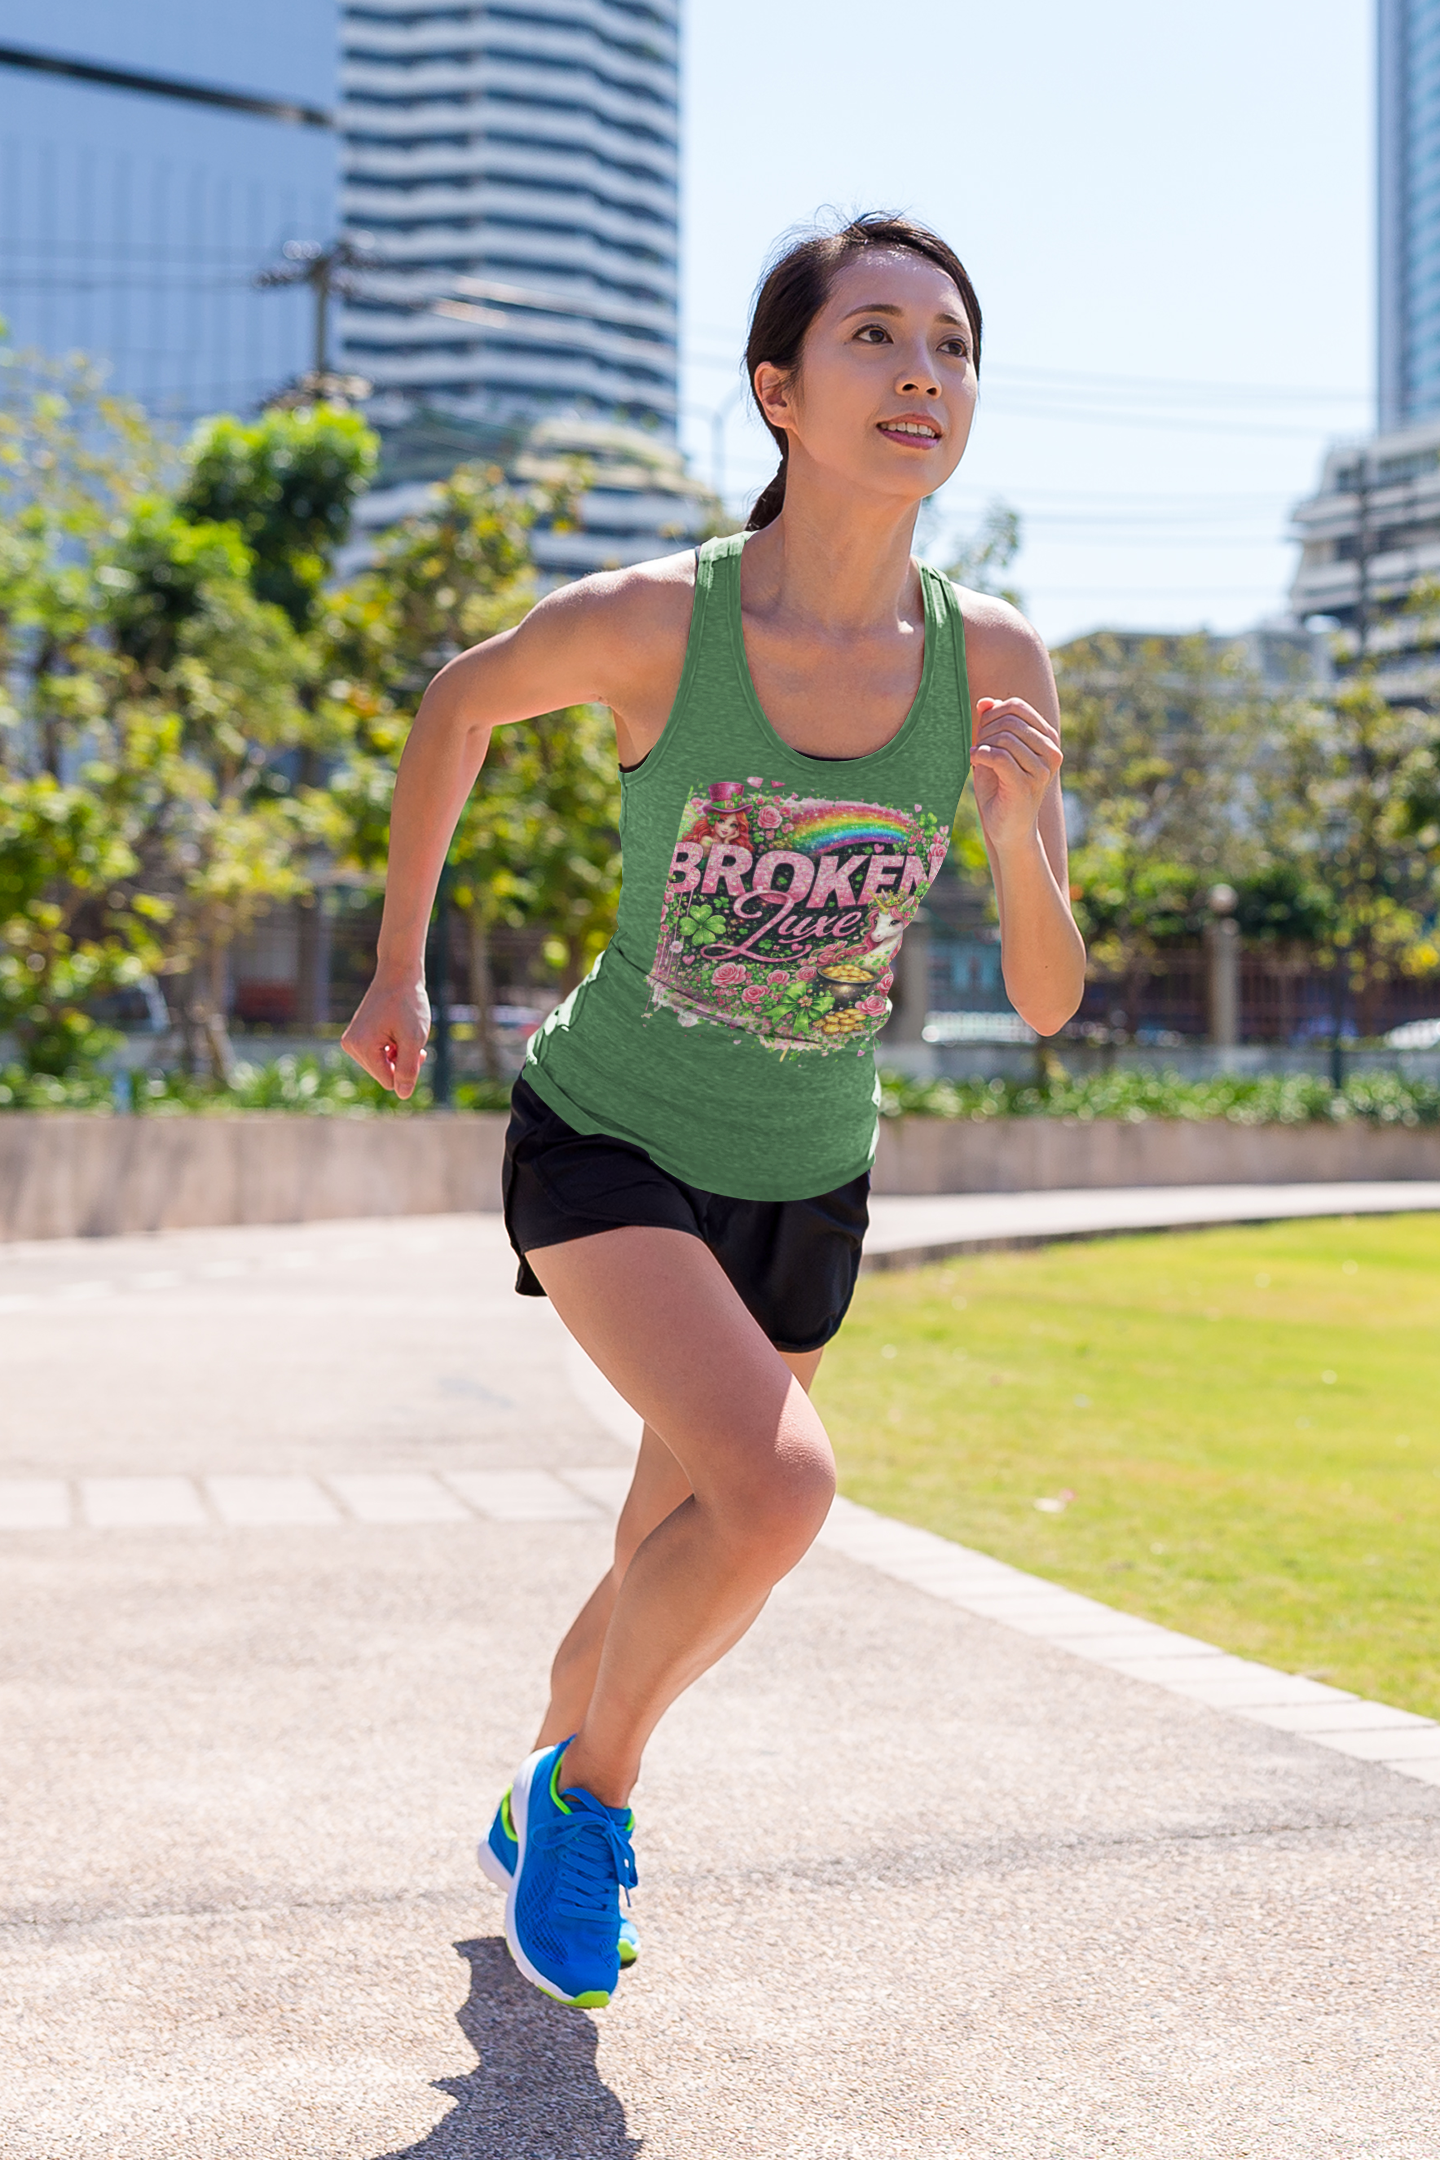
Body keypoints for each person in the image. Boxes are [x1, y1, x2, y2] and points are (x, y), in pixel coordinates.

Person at [342, 213, 1086, 2009]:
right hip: (609, 1136)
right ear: (780, 389)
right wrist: (396, 969)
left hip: (809, 1172)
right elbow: (456, 706)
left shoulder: (994, 657)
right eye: (877, 339)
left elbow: (1053, 998)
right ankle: (594, 1804)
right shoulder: (656, 622)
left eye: (954, 347)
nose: (924, 374)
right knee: (776, 1496)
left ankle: (536, 1787)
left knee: (673, 1538)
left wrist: (1010, 840)